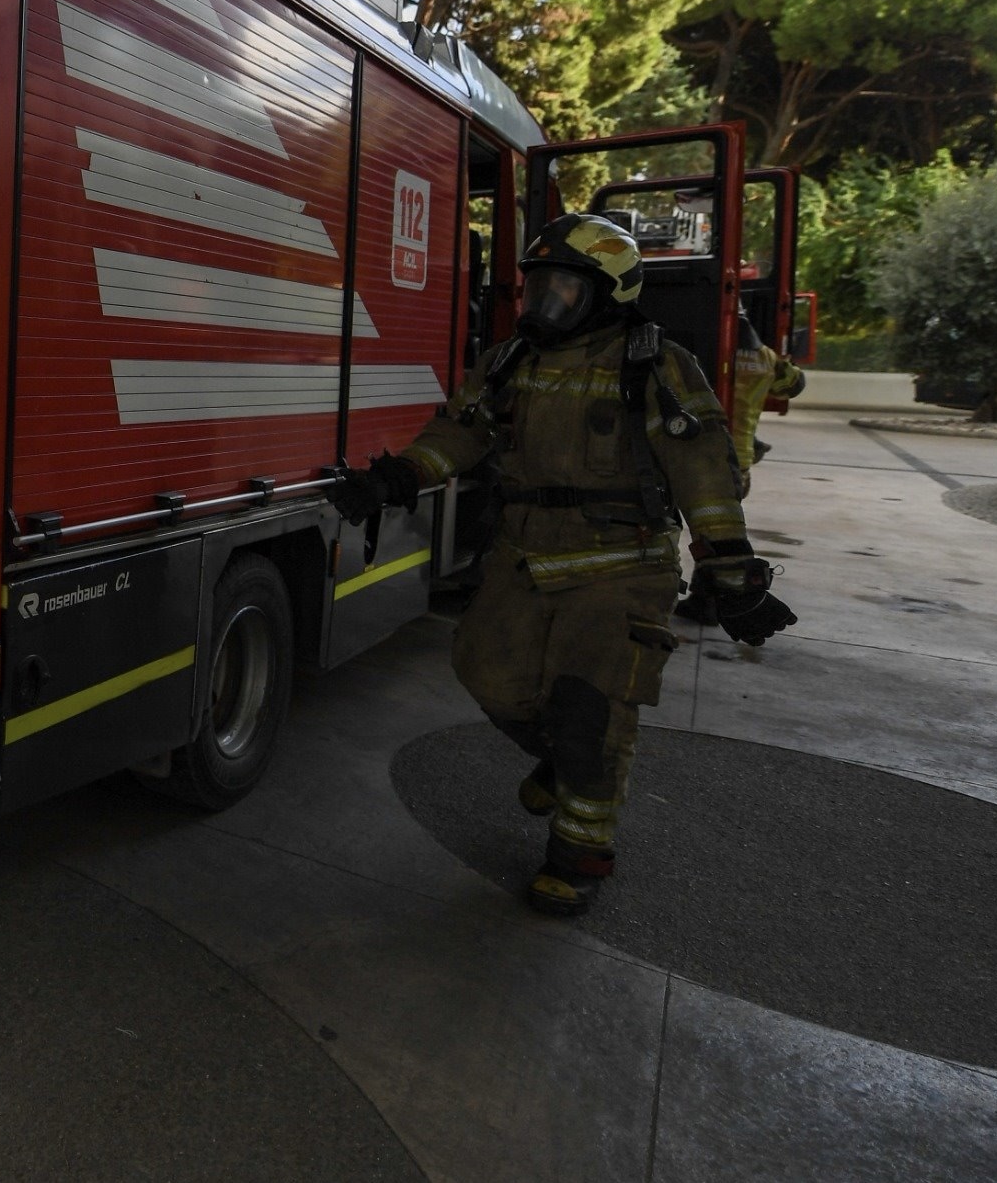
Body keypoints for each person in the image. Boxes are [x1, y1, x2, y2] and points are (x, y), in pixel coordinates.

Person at [332, 213, 795, 916]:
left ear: (609, 292)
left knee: (592, 710)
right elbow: (461, 431)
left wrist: (729, 572)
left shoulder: (656, 364)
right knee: (484, 671)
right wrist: (397, 478)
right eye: (539, 285)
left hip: (621, 566)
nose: (545, 300)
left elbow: (702, 471)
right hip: (523, 557)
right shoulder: (511, 360)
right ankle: (564, 759)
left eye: (563, 287)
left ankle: (579, 854)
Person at [727, 312, 806, 485]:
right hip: (742, 452)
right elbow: (794, 384)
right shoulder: (768, 357)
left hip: (706, 447)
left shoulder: (717, 351)